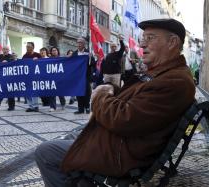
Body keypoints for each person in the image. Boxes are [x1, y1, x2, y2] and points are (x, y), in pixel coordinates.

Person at [34, 18, 195, 187]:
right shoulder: (165, 73)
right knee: (69, 137)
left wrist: (99, 96)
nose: (142, 45)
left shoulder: (174, 81)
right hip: (118, 141)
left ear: (172, 42)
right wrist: (110, 88)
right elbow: (133, 99)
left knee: (45, 152)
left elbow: (124, 119)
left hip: (121, 153)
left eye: (150, 38)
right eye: (143, 39)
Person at [72, 38, 96, 114]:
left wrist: (90, 58)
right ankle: (80, 108)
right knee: (78, 92)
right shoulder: (74, 53)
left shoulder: (88, 53)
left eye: (81, 43)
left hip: (86, 75)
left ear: (84, 44)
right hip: (77, 76)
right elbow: (71, 64)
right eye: (78, 42)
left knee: (86, 92)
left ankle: (87, 107)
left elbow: (93, 64)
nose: (79, 44)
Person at [0, 46, 15, 111]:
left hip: (9, 77)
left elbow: (14, 64)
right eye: (4, 49)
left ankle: (11, 106)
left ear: (8, 50)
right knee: (0, 90)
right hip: (1, 77)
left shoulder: (11, 56)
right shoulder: (0, 56)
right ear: (2, 50)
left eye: (6, 49)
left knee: (10, 91)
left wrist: (7, 62)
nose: (5, 50)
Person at [22, 42, 42, 112]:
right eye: (27, 47)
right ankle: (30, 106)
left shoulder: (37, 55)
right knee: (28, 92)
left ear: (33, 47)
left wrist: (38, 60)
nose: (27, 48)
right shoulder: (24, 56)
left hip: (35, 76)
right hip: (27, 77)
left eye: (29, 47)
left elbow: (43, 64)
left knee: (34, 91)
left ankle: (36, 106)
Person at [48, 47, 66, 112]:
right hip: (51, 79)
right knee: (52, 93)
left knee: (60, 93)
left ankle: (63, 104)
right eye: (53, 50)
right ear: (51, 52)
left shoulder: (61, 59)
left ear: (57, 51)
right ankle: (52, 106)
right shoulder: (48, 59)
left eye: (55, 50)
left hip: (60, 79)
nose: (54, 51)